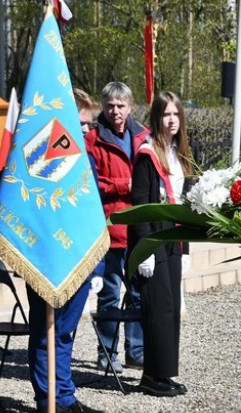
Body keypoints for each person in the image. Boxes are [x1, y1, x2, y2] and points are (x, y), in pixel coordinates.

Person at [24, 88, 107, 413]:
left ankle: (65, 396)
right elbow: (13, 196)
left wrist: (97, 264)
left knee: (67, 333)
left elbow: (93, 215)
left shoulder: (84, 161)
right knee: (47, 330)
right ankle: (48, 401)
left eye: (90, 125)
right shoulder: (38, 156)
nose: (89, 131)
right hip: (48, 256)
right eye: (83, 124)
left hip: (78, 258)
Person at [130, 91, 193, 397]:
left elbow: (186, 203)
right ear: (157, 118)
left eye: (176, 114)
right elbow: (140, 203)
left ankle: (165, 373)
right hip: (154, 236)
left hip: (174, 236)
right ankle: (151, 376)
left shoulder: (178, 153)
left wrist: (187, 248)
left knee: (170, 309)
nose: (172, 120)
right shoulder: (147, 153)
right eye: (166, 114)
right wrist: (145, 249)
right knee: (157, 308)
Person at [85, 82, 149, 371]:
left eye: (121, 105)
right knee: (109, 296)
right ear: (103, 106)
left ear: (130, 106)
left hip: (137, 231)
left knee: (137, 295)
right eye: (110, 105)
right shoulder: (93, 140)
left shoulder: (143, 137)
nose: (115, 111)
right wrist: (126, 186)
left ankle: (136, 351)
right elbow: (90, 184)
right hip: (110, 230)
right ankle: (107, 354)